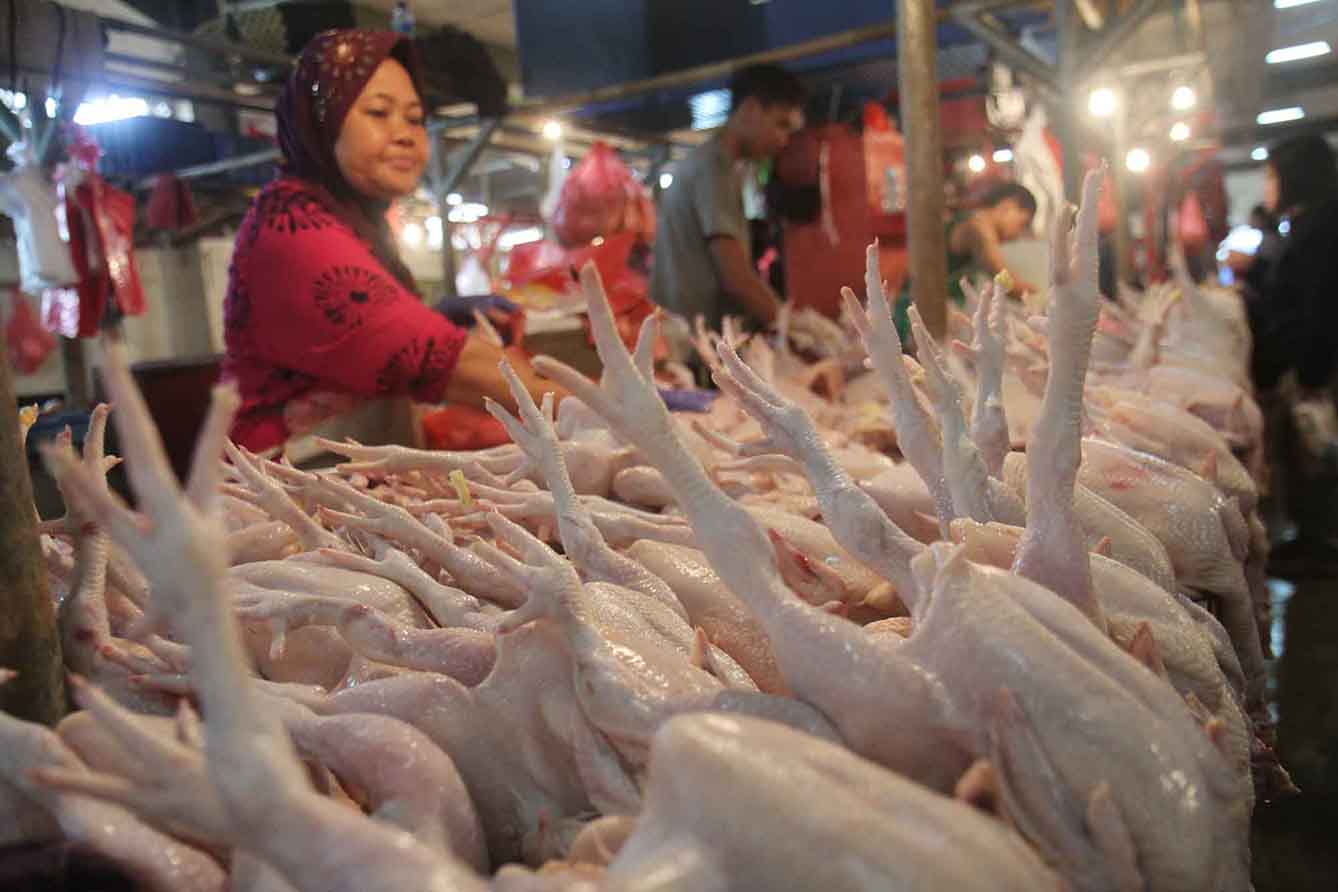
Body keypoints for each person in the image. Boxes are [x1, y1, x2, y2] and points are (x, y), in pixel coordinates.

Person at [222, 29, 562, 453]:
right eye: (379, 113)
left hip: (347, 470)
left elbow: (362, 340)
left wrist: (437, 314)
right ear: (322, 123)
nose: (405, 134)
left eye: (415, 118)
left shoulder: (354, 221)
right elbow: (445, 363)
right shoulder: (292, 228)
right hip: (284, 489)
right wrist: (600, 406)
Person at [650, 64, 805, 330]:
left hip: (683, 335)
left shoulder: (708, 164)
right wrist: (792, 326)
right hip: (694, 344)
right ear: (751, 109)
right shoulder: (714, 168)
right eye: (781, 125)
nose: (784, 140)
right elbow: (735, 276)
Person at [1248, 134, 1338, 566]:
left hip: (1314, 366)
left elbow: (1319, 306)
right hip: (1305, 362)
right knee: (1304, 454)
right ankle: (1310, 536)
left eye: (1271, 176)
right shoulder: (1307, 225)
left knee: (1314, 451)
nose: (1267, 187)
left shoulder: (1320, 230)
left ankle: (1318, 543)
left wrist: (1311, 374)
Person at [894, 181, 1038, 337]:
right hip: (914, 316)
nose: (1017, 235)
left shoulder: (971, 222)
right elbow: (1003, 279)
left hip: (922, 313)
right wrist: (1039, 295)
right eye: (1022, 223)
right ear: (1008, 206)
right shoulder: (978, 230)